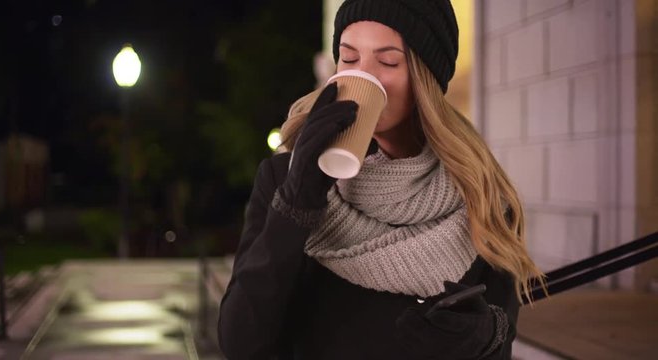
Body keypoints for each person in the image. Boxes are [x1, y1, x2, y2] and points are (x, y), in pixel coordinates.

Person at [218, 0, 545, 359]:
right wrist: (298, 199)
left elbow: (500, 341)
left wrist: (484, 336)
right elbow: (240, 343)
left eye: (388, 61)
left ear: (425, 78)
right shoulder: (285, 180)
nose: (365, 76)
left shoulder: (481, 193)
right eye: (349, 58)